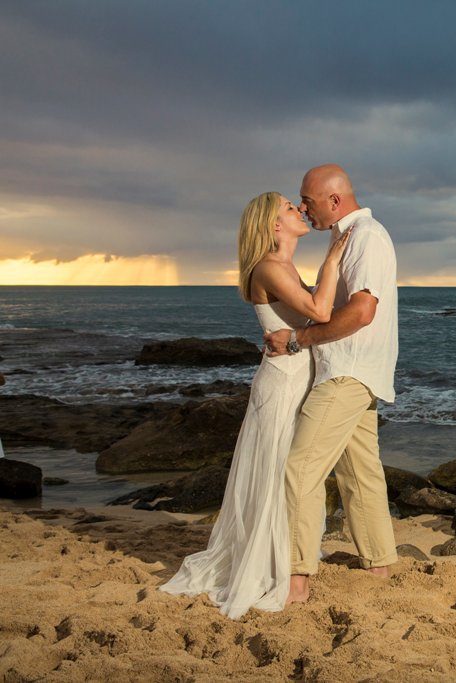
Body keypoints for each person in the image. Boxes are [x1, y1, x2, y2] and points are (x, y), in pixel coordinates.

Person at [160, 192, 349, 619]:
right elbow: (319, 311)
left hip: (294, 378)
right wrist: (333, 261)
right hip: (282, 385)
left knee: (286, 469)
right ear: (273, 225)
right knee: (278, 470)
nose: (299, 210)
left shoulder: (282, 267)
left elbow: (307, 315)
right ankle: (275, 565)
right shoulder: (268, 267)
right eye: (288, 207)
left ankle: (284, 558)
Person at [264, 164, 399, 605]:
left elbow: (362, 312)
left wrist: (298, 340)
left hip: (347, 372)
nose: (303, 206)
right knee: (359, 473)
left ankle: (297, 577)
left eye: (308, 199)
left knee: (299, 471)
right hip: (352, 371)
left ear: (334, 201)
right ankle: (379, 565)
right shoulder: (349, 238)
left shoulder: (367, 236)